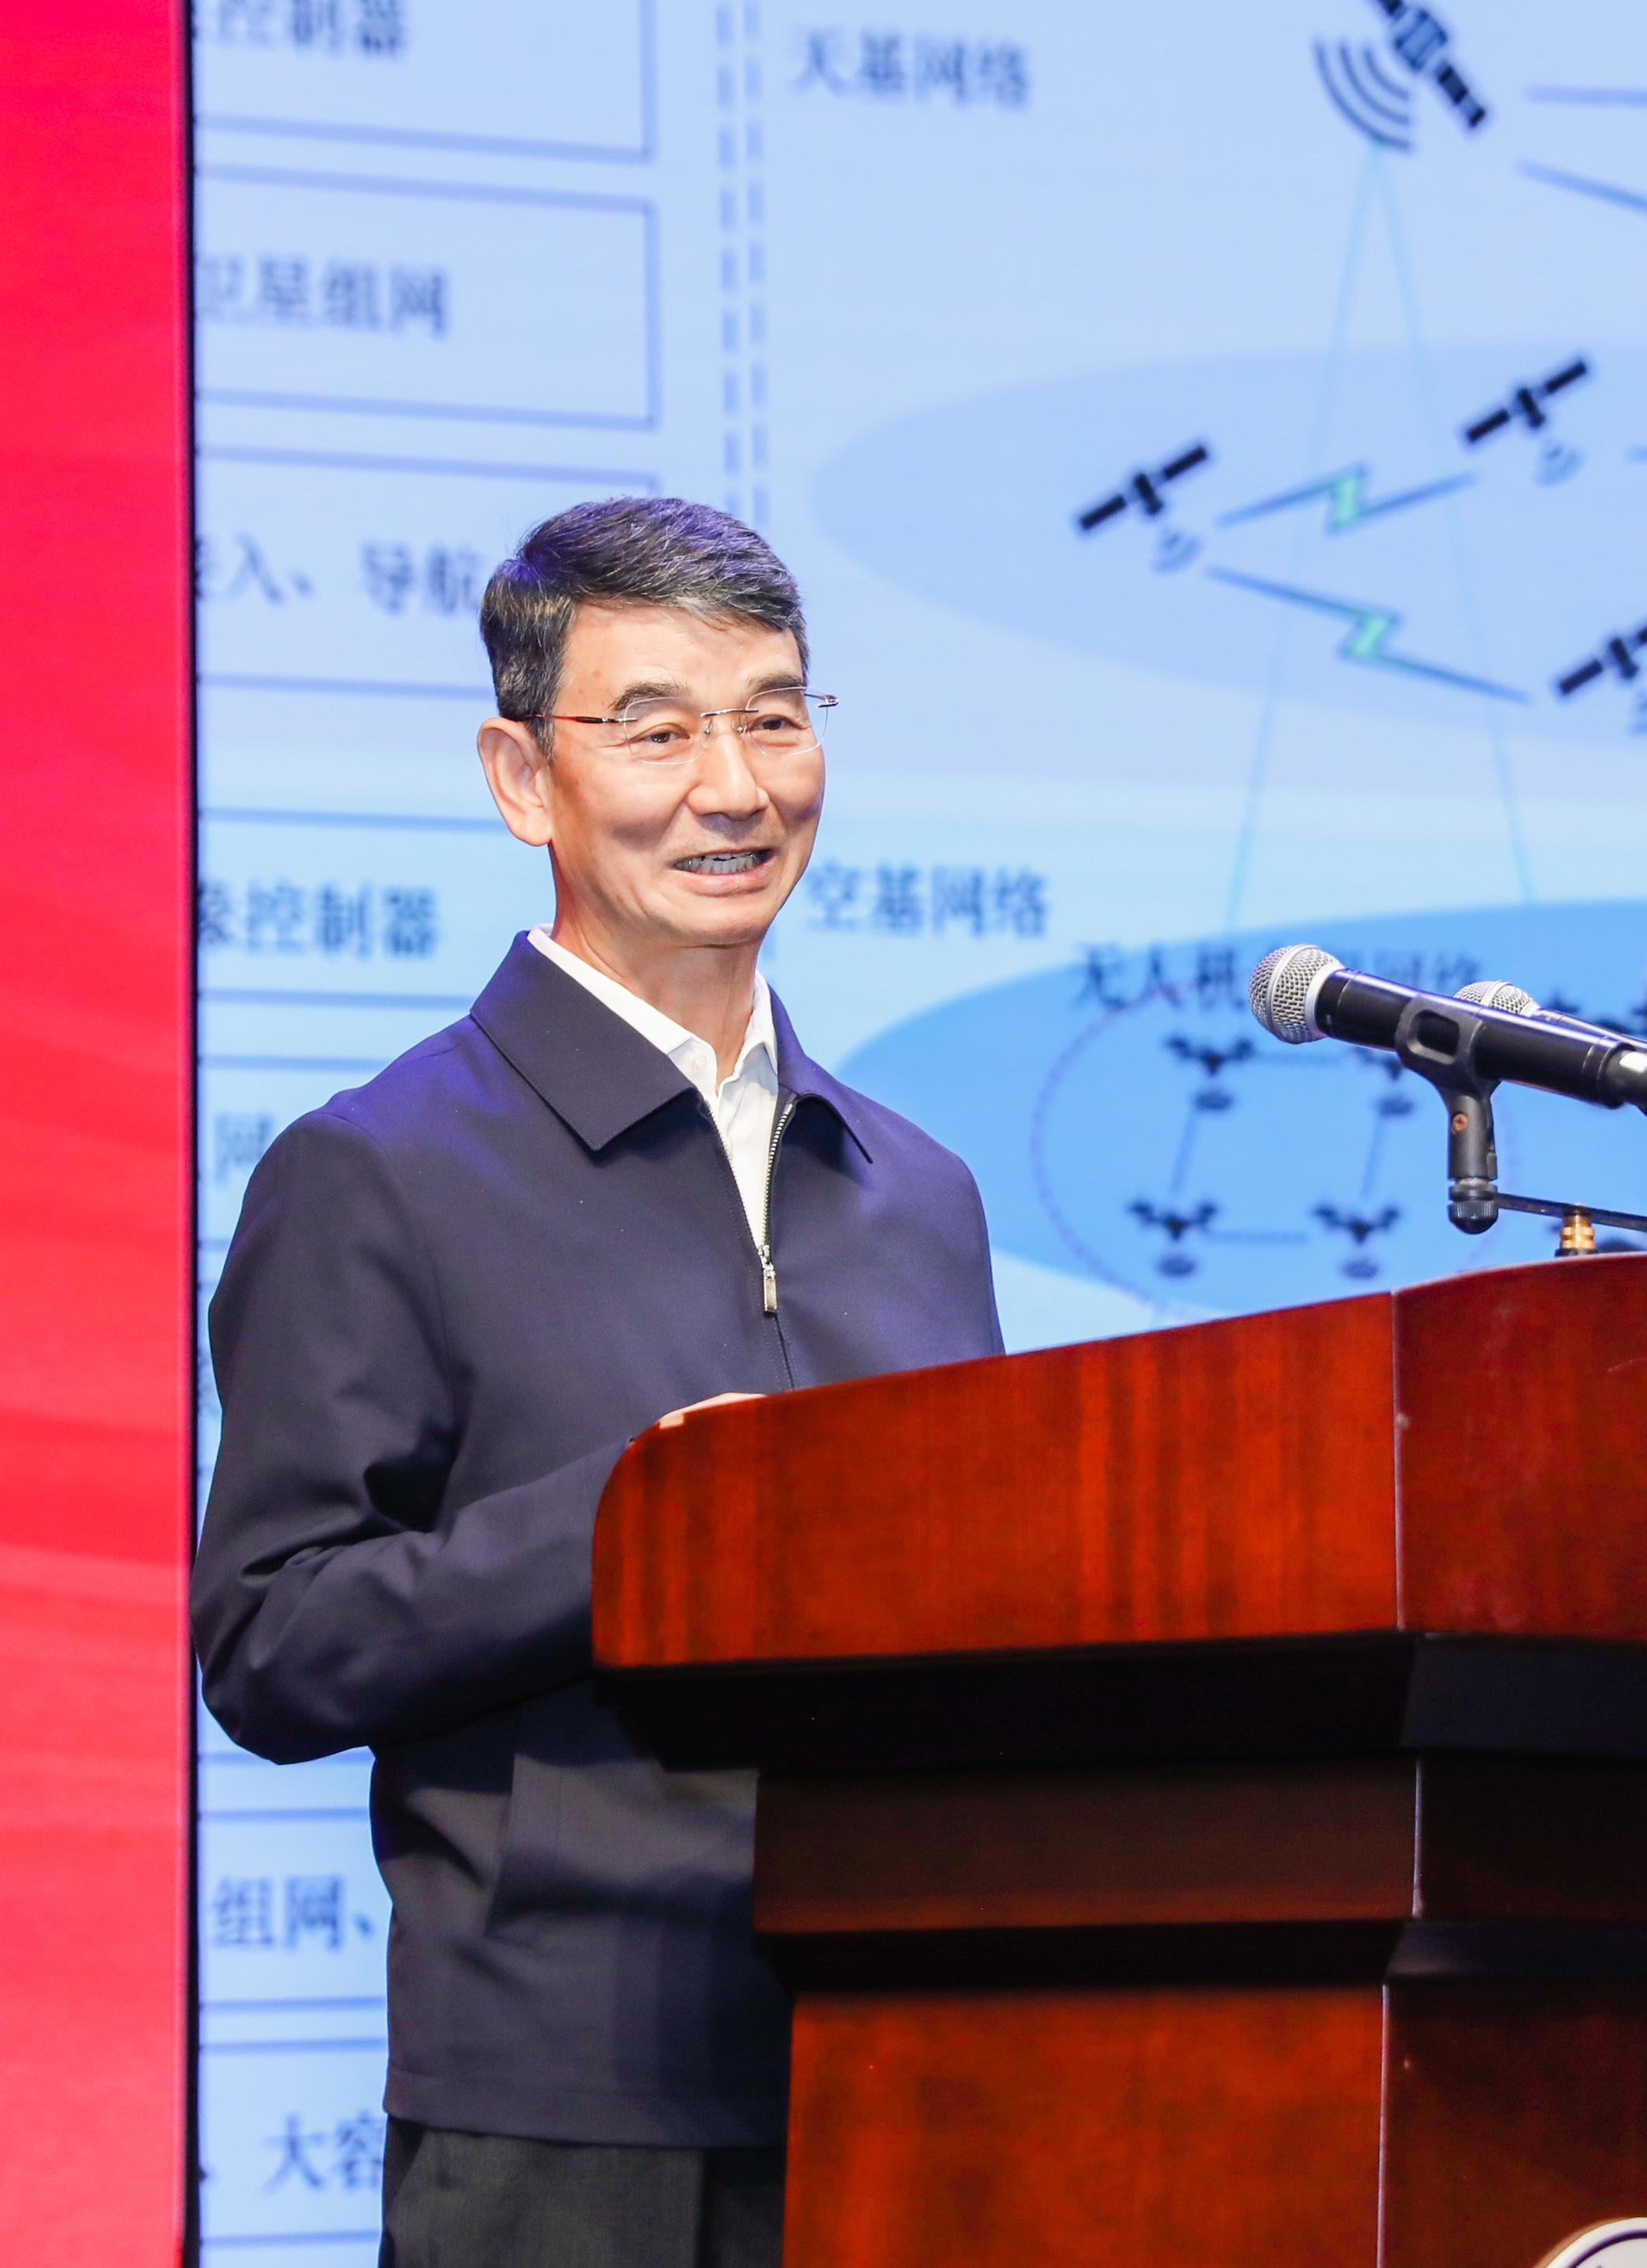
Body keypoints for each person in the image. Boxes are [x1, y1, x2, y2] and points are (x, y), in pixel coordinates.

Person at [192, 498, 1003, 2266]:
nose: (733, 787)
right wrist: (641, 1521)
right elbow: (270, 1642)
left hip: (917, 2066)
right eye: (655, 730)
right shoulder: (380, 1170)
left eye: (773, 718)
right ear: (520, 777)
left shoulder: (918, 1191)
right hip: (569, 2116)